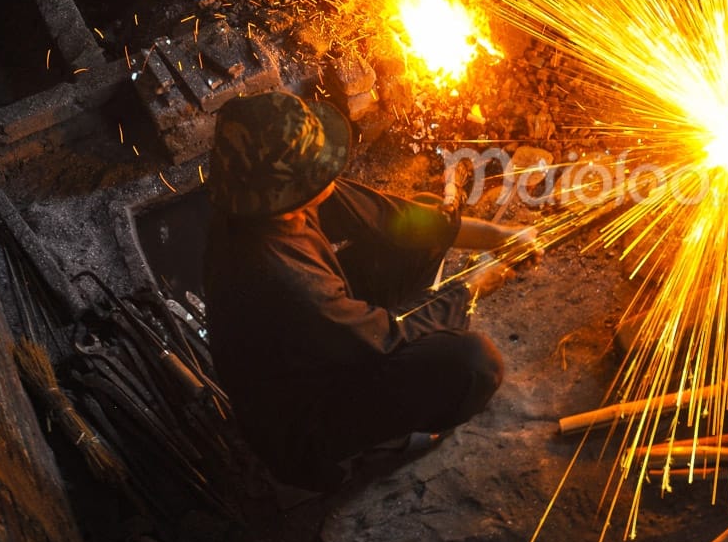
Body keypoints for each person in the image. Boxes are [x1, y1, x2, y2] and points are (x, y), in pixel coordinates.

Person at [203, 90, 539, 491]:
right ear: (295, 189)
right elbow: (385, 335)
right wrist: (469, 288)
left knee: (417, 226)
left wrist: (499, 235)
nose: (331, 169)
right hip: (307, 424)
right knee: (473, 362)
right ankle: (370, 451)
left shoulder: (265, 196)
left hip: (321, 342)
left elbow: (394, 218)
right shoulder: (284, 278)